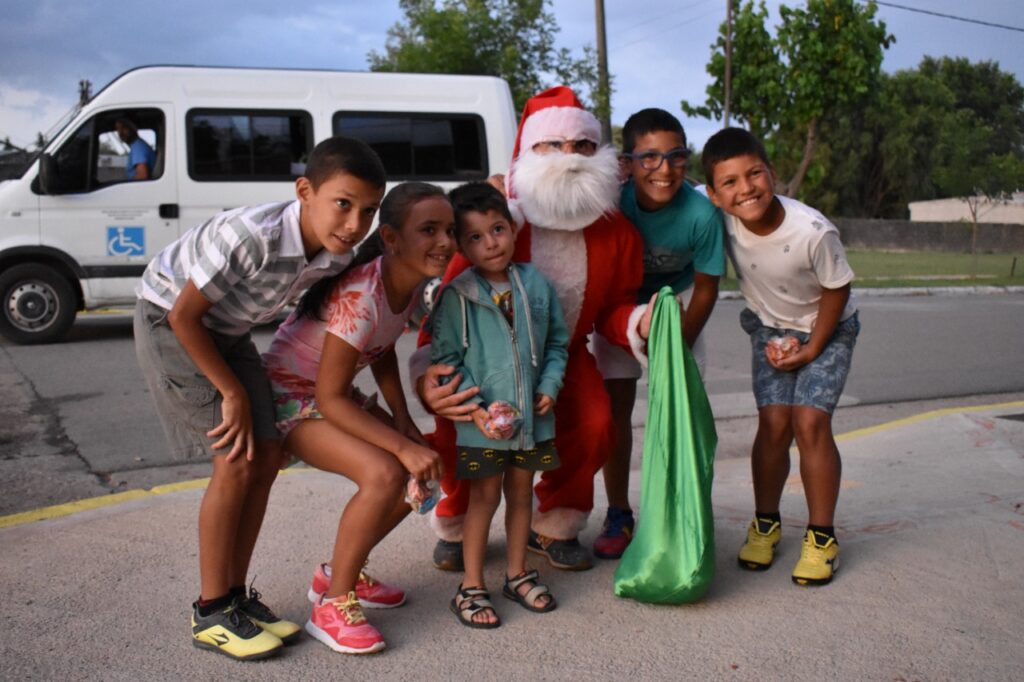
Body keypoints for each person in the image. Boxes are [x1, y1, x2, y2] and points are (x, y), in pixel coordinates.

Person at [133, 136, 387, 661]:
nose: (354, 224)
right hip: (171, 320)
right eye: (343, 204)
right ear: (304, 191)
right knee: (235, 458)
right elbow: (183, 316)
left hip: (229, 331)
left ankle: (235, 597)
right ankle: (210, 612)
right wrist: (231, 392)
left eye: (369, 211)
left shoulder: (335, 255)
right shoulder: (254, 237)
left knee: (267, 455)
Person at [413, 86, 648, 573]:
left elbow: (614, 307)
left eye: (583, 146)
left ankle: (556, 520)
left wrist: (638, 322)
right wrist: (427, 373)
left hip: (561, 355)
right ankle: (456, 519)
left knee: (596, 422)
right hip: (479, 357)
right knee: (457, 425)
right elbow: (448, 304)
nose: (570, 158)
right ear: (529, 153)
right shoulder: (497, 221)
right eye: (553, 146)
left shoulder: (616, 230)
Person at [262, 182, 453, 653]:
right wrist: (400, 444)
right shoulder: (362, 294)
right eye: (429, 230)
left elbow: (380, 348)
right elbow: (329, 399)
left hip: (328, 394)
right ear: (390, 237)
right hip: (289, 400)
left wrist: (403, 422)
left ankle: (338, 572)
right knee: (386, 472)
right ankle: (332, 605)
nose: (445, 241)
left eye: (450, 230)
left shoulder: (407, 281)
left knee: (425, 465)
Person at [701, 127, 860, 586]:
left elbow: (837, 289)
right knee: (773, 424)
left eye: (755, 174)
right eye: (729, 182)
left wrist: (814, 347)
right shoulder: (721, 216)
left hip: (828, 326)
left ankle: (822, 538)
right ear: (713, 194)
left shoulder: (812, 231)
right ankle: (766, 524)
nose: (745, 188)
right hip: (770, 330)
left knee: (810, 422)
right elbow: (669, 186)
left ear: (772, 173)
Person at [430, 182, 569, 628]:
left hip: (532, 421)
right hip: (481, 426)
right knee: (484, 498)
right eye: (474, 236)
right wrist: (475, 409)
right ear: (460, 245)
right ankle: (471, 586)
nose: (490, 243)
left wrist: (550, 385)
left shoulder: (536, 284)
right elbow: (446, 361)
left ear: (512, 228)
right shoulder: (456, 295)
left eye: (497, 229)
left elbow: (557, 344)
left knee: (522, 495)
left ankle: (516, 574)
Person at [592, 108, 726, 560]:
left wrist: (676, 344)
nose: (664, 169)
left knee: (683, 412)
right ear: (627, 163)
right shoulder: (612, 202)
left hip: (679, 304)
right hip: (622, 304)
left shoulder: (701, 214)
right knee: (616, 411)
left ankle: (682, 510)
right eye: (649, 157)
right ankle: (618, 512)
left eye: (675, 156)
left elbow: (706, 287)